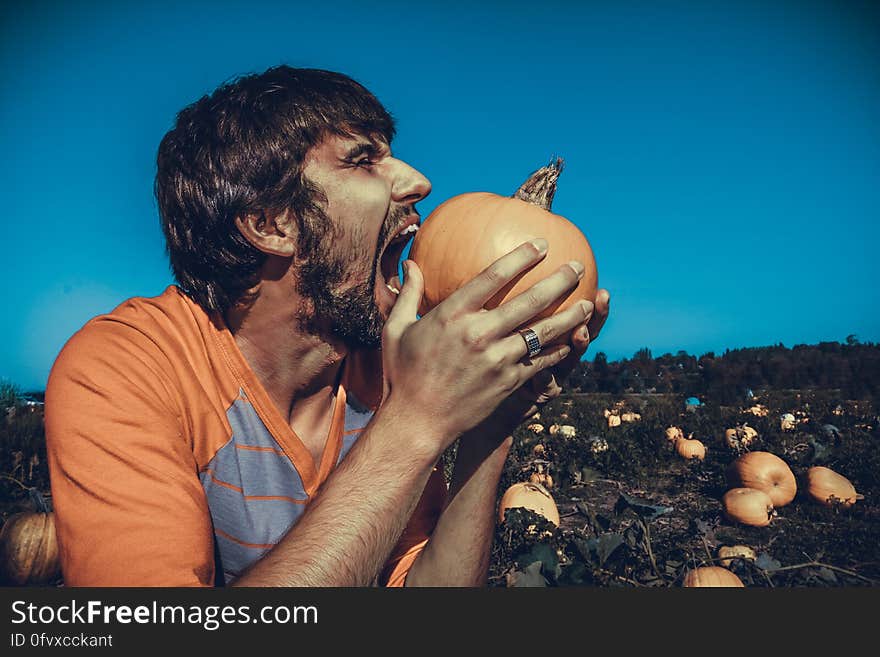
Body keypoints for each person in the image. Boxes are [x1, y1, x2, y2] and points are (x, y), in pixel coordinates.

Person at [44, 65, 610, 587]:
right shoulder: (126, 368)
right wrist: (415, 421)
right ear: (271, 223)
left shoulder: (382, 371)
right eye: (363, 160)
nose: (419, 182)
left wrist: (494, 422)